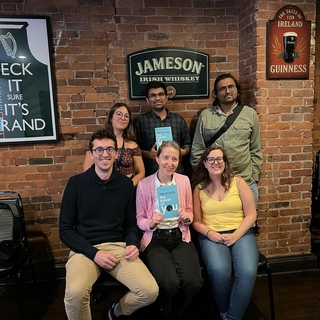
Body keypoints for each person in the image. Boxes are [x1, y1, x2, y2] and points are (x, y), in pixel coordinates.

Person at [59, 129, 158, 320]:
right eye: (99, 150)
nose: (104, 154)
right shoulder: (76, 184)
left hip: (118, 247)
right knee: (75, 294)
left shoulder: (125, 185)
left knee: (149, 291)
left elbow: (130, 222)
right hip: (85, 249)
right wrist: (95, 253)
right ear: (92, 153)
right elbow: (65, 230)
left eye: (109, 149)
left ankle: (118, 311)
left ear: (116, 153)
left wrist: (133, 244)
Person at [136, 141, 202, 319]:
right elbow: (139, 219)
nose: (169, 163)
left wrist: (187, 217)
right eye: (165, 157)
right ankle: (165, 309)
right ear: (157, 158)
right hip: (155, 238)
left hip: (179, 235)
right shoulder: (144, 185)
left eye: (174, 159)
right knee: (168, 283)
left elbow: (189, 211)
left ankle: (176, 312)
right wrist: (151, 223)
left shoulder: (183, 181)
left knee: (194, 282)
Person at [192, 145, 259, 320]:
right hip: (212, 235)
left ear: (225, 162)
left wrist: (236, 235)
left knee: (247, 273)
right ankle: (224, 311)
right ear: (205, 163)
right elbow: (196, 221)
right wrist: (208, 233)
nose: (216, 162)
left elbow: (252, 214)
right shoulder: (198, 189)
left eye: (220, 158)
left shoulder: (238, 182)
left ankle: (230, 318)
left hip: (241, 232)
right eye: (211, 159)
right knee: (219, 271)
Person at [190, 73, 263, 205]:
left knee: (248, 222)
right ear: (216, 94)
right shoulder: (206, 115)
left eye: (231, 87)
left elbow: (255, 149)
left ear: (237, 89)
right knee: (217, 223)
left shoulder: (250, 114)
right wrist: (206, 177)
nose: (228, 91)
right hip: (214, 183)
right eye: (222, 88)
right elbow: (197, 149)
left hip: (244, 179)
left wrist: (254, 177)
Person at [133, 81, 191, 177]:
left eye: (161, 94)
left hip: (176, 174)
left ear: (166, 97)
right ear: (147, 100)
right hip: (150, 174)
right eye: (153, 95)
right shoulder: (140, 121)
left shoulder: (178, 120)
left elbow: (188, 145)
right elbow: (133, 149)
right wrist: (148, 154)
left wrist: (181, 151)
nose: (157, 98)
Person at [83, 102, 145, 187]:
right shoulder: (97, 142)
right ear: (111, 118)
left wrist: (128, 185)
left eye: (126, 116)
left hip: (127, 190)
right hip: (103, 188)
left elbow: (141, 172)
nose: (123, 118)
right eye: (119, 114)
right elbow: (87, 170)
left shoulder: (133, 145)